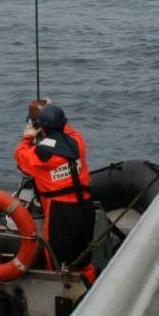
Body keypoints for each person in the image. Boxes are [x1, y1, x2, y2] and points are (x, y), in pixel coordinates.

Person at [14, 101, 97, 283]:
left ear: (42, 129)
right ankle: (90, 286)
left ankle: (67, 297)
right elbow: (67, 131)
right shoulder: (78, 142)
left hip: (60, 214)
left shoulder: (41, 155)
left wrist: (27, 136)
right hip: (85, 208)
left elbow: (20, 158)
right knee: (84, 257)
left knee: (59, 260)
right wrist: (51, 113)